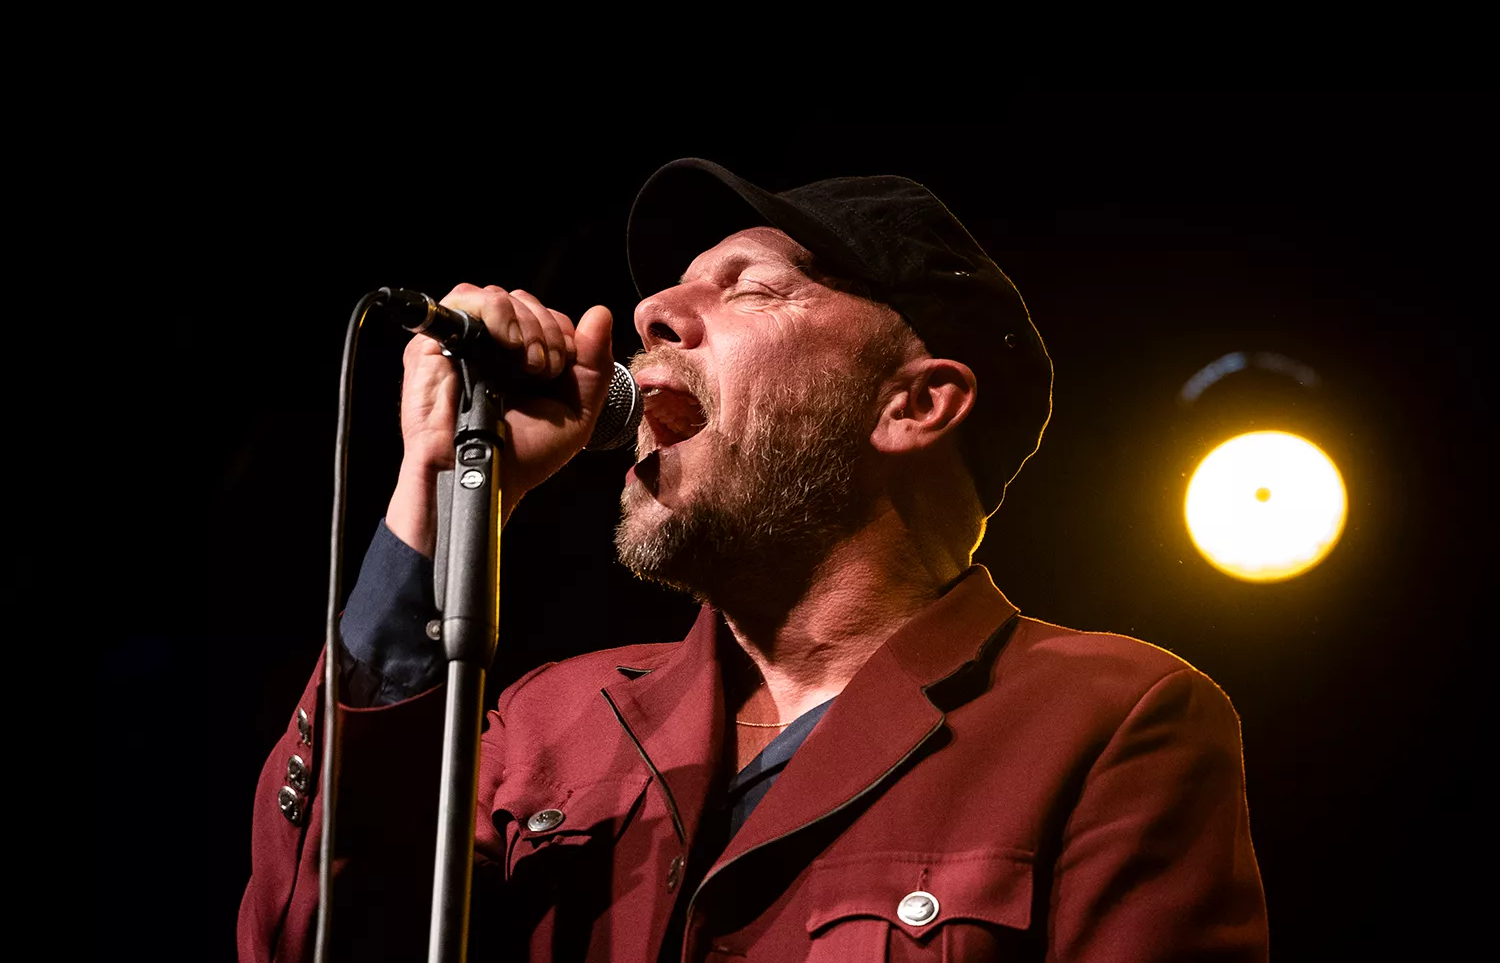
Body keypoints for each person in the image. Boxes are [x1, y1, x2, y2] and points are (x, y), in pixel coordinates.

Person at [239, 159, 1268, 962]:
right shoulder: (546, 730)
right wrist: (441, 489)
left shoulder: (1108, 719)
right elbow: (309, 939)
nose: (649, 317)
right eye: (671, 291)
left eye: (751, 287)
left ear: (914, 404)